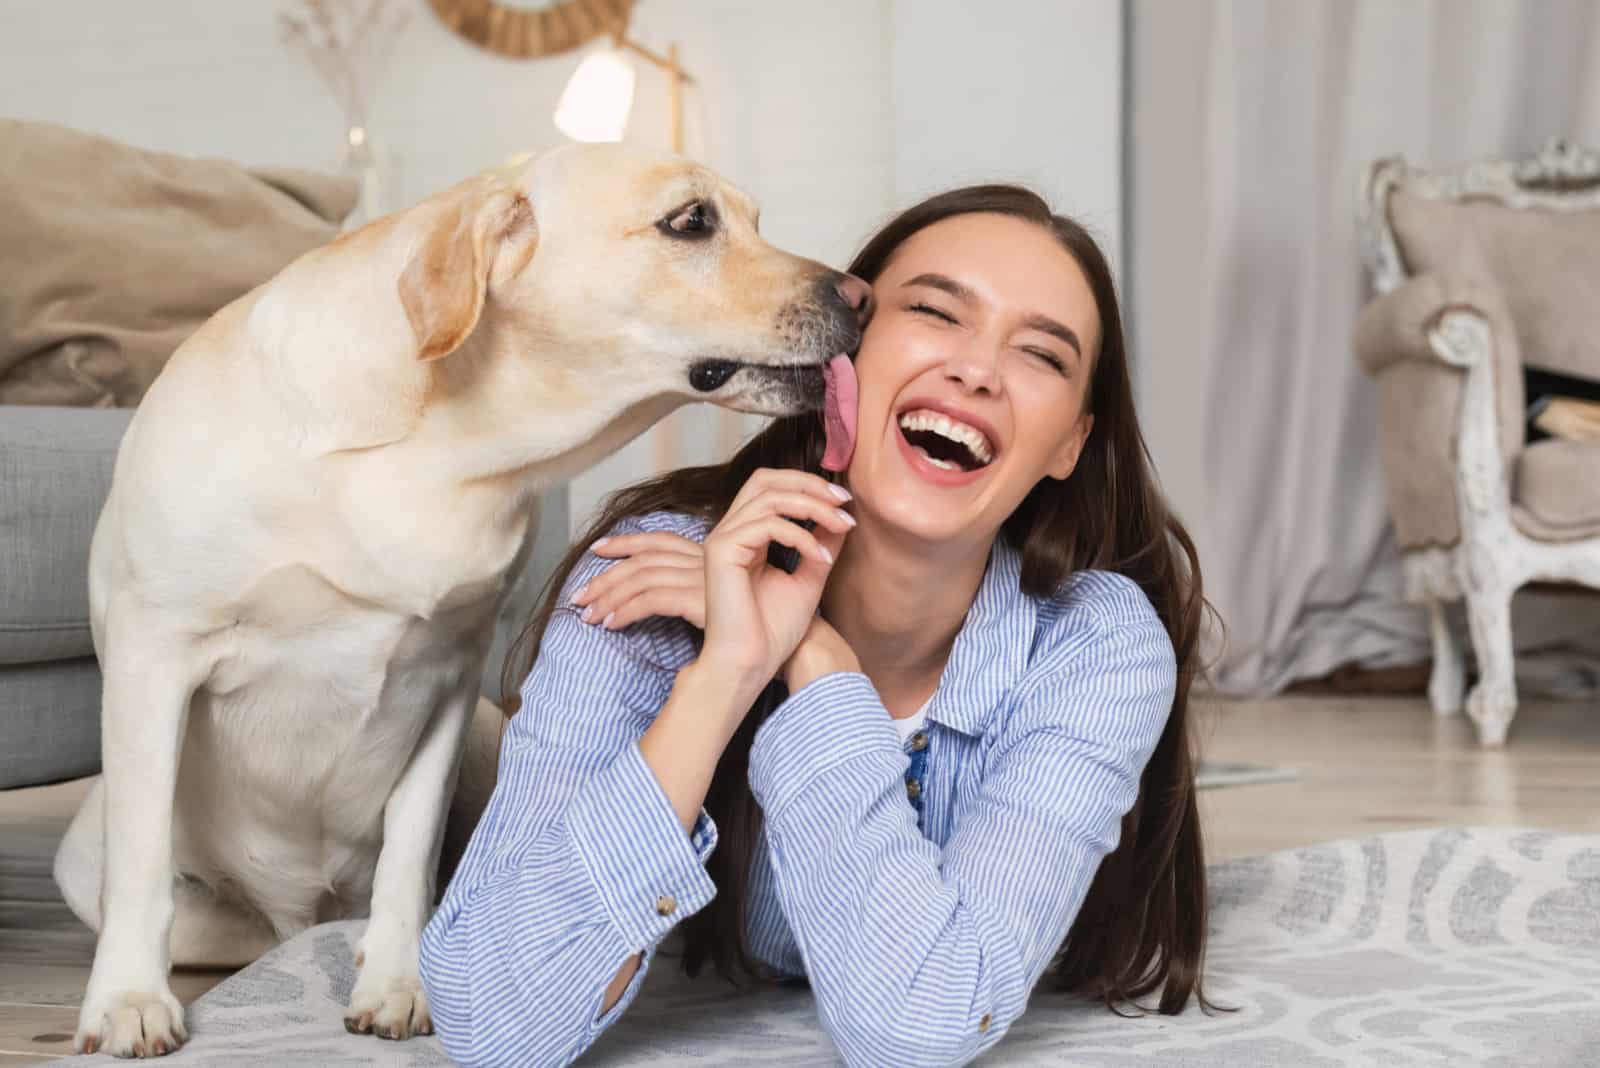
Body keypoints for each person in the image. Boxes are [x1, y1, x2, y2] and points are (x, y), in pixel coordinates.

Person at [419, 184, 1210, 1067]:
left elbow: (915, 1028)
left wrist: (814, 662)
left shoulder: (1097, 646)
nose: (977, 370)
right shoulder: (649, 576)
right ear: (842, 359)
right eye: (936, 313)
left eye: (1041, 356)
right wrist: (722, 677)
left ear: (1068, 443)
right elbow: (491, 1020)